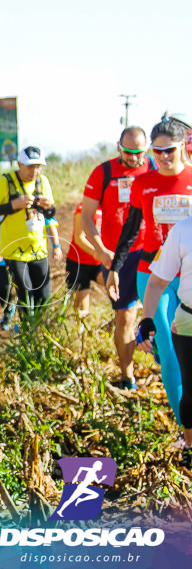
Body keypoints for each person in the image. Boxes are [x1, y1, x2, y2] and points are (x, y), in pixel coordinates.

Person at [109, 119, 192, 418]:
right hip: (154, 275)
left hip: (190, 277)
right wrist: (115, 267)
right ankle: (185, 428)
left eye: (170, 150)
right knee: (170, 353)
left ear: (183, 146)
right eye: (157, 152)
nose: (164, 157)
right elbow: (131, 228)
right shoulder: (143, 184)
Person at [78, 126, 151, 390]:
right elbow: (86, 216)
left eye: (139, 152)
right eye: (128, 152)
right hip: (119, 255)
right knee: (125, 316)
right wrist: (99, 249)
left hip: (153, 249)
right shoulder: (103, 172)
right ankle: (127, 376)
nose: (134, 158)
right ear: (119, 146)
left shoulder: (154, 167)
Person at [0, 145, 63, 319]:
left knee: (44, 297)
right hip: (15, 251)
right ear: (19, 164)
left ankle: (39, 332)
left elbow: (51, 214)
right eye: (31, 166)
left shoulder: (42, 182)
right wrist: (13, 206)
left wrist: (48, 207)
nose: (35, 171)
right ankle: (27, 333)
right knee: (26, 293)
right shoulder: (5, 183)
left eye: (38, 166)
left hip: (38, 249)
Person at [139, 212, 192, 466]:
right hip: (188, 320)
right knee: (190, 390)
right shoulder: (182, 230)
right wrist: (146, 319)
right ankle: (190, 447)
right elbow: (158, 281)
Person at [64, 203, 103, 319]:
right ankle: (78, 332)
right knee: (81, 311)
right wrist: (99, 253)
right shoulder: (84, 207)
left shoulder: (110, 208)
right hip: (79, 264)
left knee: (119, 289)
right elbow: (79, 238)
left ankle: (114, 326)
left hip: (98, 263)